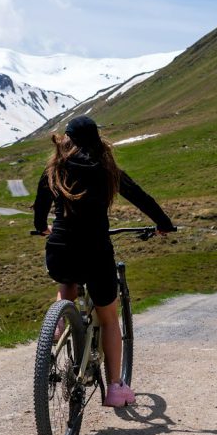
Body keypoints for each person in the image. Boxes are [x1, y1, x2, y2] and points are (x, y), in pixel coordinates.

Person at [33, 116, 174, 407]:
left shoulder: (54, 168)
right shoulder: (107, 169)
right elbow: (140, 197)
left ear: (67, 140)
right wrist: (162, 222)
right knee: (109, 319)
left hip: (59, 248)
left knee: (67, 280)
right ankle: (115, 388)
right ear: (97, 140)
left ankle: (59, 323)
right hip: (95, 251)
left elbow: (40, 208)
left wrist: (42, 226)